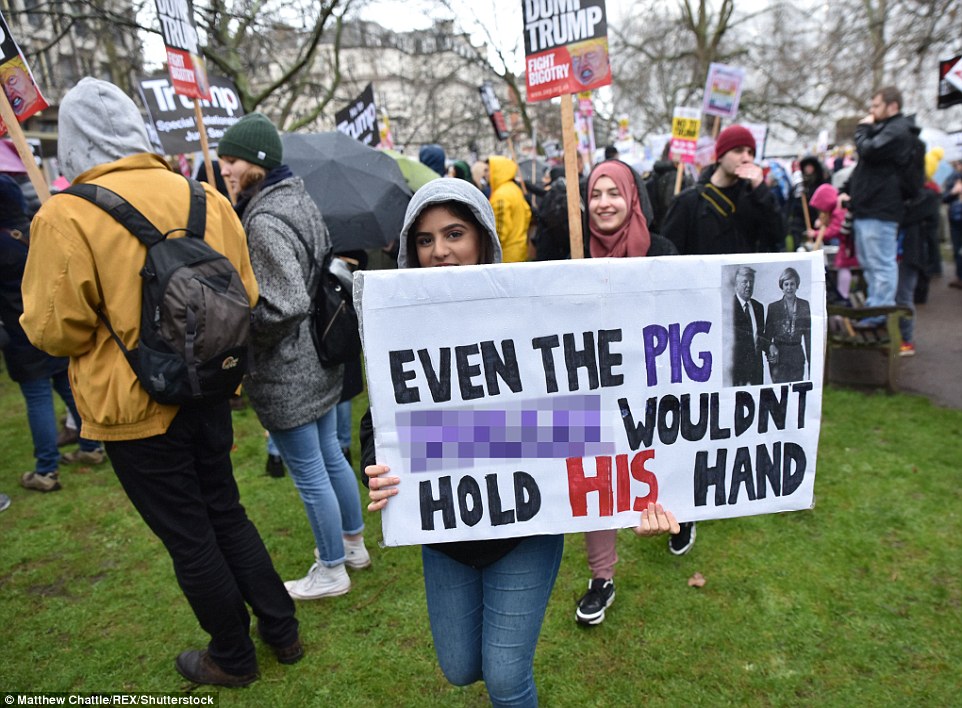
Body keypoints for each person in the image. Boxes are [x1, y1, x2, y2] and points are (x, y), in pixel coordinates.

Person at [20, 78, 300, 687]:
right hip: (209, 386)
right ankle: (283, 631)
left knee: (189, 534)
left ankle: (232, 655)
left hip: (132, 405)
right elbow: (245, 297)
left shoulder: (65, 213)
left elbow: (53, 331)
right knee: (226, 511)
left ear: (72, 144)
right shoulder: (206, 197)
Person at [362, 178, 679, 705]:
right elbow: (383, 418)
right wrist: (379, 462)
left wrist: (646, 492)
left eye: (454, 233)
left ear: (483, 238)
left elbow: (604, 411)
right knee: (461, 668)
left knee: (507, 679)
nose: (439, 251)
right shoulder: (399, 326)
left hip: (524, 528)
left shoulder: (534, 314)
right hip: (446, 530)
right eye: (424, 239)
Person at [217, 112, 369, 601]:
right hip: (319, 357)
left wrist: (242, 331)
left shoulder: (263, 218)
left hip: (289, 367)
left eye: (232, 160)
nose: (224, 168)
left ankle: (331, 570)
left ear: (258, 164)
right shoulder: (296, 197)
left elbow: (285, 303)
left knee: (310, 469)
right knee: (328, 456)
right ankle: (354, 546)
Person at [577, 159, 681, 626]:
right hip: (594, 391)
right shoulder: (571, 254)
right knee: (597, 476)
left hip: (655, 390)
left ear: (632, 197)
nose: (603, 203)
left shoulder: (662, 252)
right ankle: (602, 578)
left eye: (613, 193)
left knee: (665, 464)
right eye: (595, 194)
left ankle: (688, 508)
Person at [0, 175, 105, 493]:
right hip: (52, 324)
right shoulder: (39, 227)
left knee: (39, 398)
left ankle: (47, 469)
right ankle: (91, 446)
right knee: (66, 387)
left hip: (24, 332)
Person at [846, 86, 915, 322]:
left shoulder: (897, 130)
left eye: (876, 106)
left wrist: (863, 128)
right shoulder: (888, 128)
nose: (871, 111)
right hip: (870, 208)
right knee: (871, 264)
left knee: (881, 265)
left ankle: (880, 313)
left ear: (892, 106)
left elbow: (868, 150)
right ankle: (875, 308)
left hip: (880, 210)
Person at [661, 124, 783, 256]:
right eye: (738, 151)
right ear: (720, 156)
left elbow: (778, 236)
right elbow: (670, 254)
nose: (746, 158)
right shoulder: (687, 202)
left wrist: (761, 190)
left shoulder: (756, 198)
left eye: (751, 153)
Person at [764, 267, 812, 383]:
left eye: (792, 284)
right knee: (779, 392)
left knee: (795, 392)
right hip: (779, 357)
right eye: (786, 284)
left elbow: (808, 337)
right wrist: (769, 351)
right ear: (782, 286)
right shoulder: (773, 307)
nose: (789, 288)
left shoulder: (804, 305)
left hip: (797, 355)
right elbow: (767, 335)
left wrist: (812, 363)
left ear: (797, 285)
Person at [488, 155, 532, 263]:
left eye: (489, 170)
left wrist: (490, 251)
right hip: (519, 249)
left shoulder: (501, 195)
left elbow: (499, 230)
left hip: (506, 255)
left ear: (498, 171)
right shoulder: (515, 189)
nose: (488, 174)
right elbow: (527, 214)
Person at [731, 266, 768, 387]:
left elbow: (759, 337)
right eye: (744, 282)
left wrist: (770, 346)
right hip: (737, 370)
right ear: (736, 285)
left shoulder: (759, 307)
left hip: (756, 370)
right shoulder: (728, 307)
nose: (748, 285)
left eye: (751, 282)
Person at [942, 159, 962, 289]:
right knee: (957, 249)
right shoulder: (953, 178)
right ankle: (959, 276)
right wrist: (954, 191)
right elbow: (944, 197)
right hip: (957, 218)